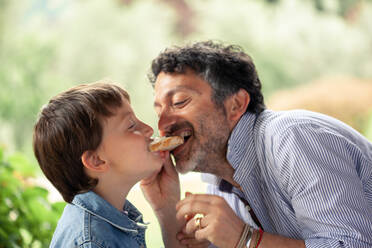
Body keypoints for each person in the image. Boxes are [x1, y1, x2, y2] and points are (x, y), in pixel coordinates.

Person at [147, 41, 372, 248]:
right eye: (158, 111)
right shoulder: (221, 185)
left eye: (179, 102)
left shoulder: (291, 139)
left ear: (236, 104)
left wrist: (245, 239)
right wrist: (167, 211)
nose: (162, 125)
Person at [33, 81, 187, 248]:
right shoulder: (93, 242)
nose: (149, 129)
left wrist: (168, 209)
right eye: (131, 125)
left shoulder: (109, 221)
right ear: (97, 161)